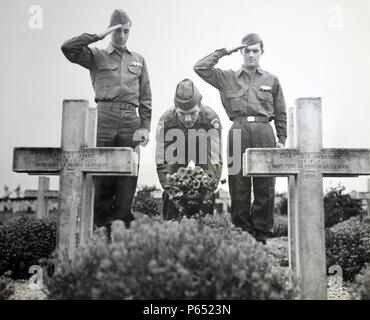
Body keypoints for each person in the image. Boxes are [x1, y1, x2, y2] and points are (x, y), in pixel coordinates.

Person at [61, 9, 152, 228]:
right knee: (101, 181)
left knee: (127, 181)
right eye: (117, 31)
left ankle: (120, 241)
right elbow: (67, 48)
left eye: (126, 31)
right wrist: (97, 35)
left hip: (131, 120)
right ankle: (100, 238)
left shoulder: (138, 60)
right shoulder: (96, 55)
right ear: (111, 31)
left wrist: (146, 127)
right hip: (104, 118)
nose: (122, 36)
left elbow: (146, 96)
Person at [194, 33, 287, 244]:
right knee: (238, 182)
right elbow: (200, 68)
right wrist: (223, 52)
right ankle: (242, 231)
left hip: (264, 130)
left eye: (255, 50)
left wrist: (282, 138)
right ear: (241, 52)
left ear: (262, 52)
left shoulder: (271, 79)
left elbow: (280, 111)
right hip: (238, 130)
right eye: (247, 50)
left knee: (265, 183)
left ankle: (262, 232)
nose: (251, 54)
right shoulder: (227, 77)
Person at [156, 79, 223, 220]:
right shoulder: (166, 121)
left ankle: (205, 231)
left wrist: (208, 189)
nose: (187, 119)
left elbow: (215, 160)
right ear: (175, 109)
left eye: (192, 113)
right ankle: (170, 232)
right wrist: (171, 191)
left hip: (203, 154)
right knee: (172, 193)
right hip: (175, 156)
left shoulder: (211, 119)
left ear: (200, 106)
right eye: (182, 114)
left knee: (205, 193)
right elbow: (163, 162)